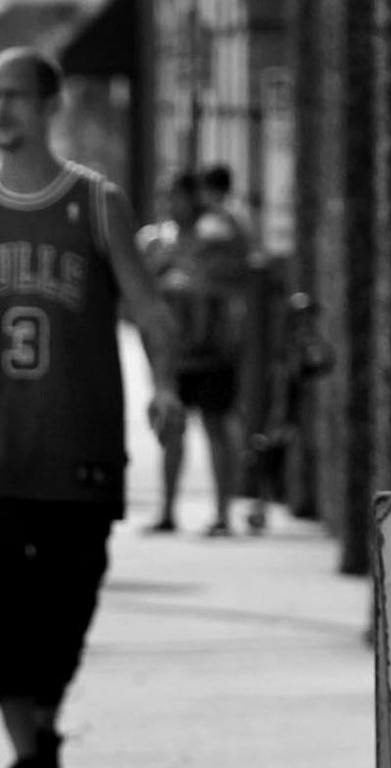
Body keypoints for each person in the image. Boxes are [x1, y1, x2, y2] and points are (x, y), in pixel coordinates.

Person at [0, 48, 181, 768]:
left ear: (50, 104)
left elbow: (149, 305)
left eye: (16, 95)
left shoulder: (94, 203)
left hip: (78, 445)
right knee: (3, 603)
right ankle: (31, 756)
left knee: (68, 601)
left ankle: (44, 732)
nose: (1, 108)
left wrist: (166, 387)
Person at [143, 171, 251, 537]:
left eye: (176, 196)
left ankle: (223, 513)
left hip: (214, 350)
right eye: (165, 196)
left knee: (216, 427)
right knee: (171, 429)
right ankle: (167, 511)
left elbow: (242, 266)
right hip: (175, 353)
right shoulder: (156, 242)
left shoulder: (218, 234)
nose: (170, 204)